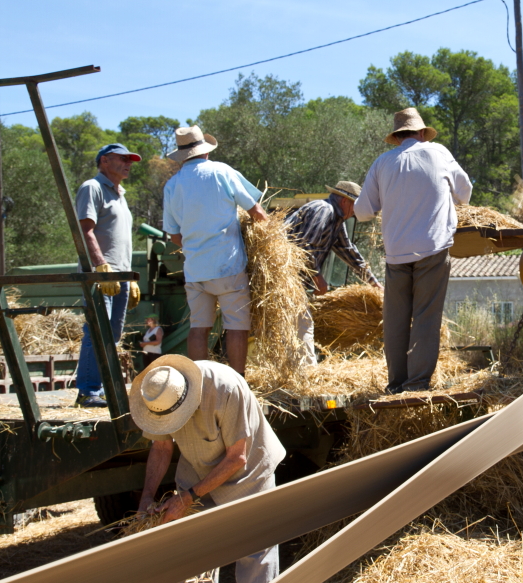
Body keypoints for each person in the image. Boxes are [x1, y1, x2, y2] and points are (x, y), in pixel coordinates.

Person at [133, 355, 285, 583]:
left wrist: (187, 498)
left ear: (188, 399)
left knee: (255, 556)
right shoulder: (158, 393)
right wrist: (147, 497)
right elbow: (162, 447)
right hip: (197, 469)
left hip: (249, 472)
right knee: (192, 554)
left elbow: (237, 457)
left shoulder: (225, 387)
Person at [354, 108, 472, 393]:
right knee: (425, 316)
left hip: (396, 254)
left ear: (396, 138)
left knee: (395, 320)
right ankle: (417, 384)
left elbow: (362, 212)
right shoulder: (438, 153)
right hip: (433, 248)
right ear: (421, 133)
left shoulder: (382, 163)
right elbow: (465, 190)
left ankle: (395, 385)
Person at [163, 125, 268, 376]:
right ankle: (238, 384)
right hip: (228, 265)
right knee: (237, 327)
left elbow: (174, 235)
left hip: (196, 269)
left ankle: (199, 385)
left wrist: (195, 244)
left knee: (199, 328)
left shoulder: (172, 185)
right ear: (206, 151)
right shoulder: (221, 171)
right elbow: (257, 211)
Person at [74, 143, 143, 407]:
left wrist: (127, 277)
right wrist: (102, 267)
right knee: (97, 331)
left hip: (119, 276)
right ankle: (87, 391)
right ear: (104, 161)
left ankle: (99, 389)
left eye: (131, 160)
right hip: (100, 275)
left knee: (112, 335)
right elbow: (85, 230)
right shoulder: (92, 188)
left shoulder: (120, 194)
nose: (129, 163)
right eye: (122, 158)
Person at [285, 181, 382, 365]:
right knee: (303, 325)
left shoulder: (337, 221)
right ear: (345, 201)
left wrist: (374, 284)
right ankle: (306, 375)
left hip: (296, 283)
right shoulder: (323, 210)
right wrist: (317, 277)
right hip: (286, 279)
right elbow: (303, 247)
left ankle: (299, 371)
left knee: (299, 325)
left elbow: (350, 253)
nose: (355, 211)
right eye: (355, 205)